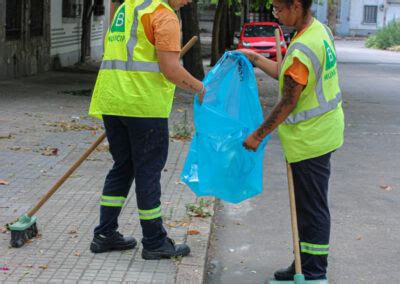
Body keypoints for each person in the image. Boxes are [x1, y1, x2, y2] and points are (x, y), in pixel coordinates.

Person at [88, 0, 205, 260]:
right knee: (147, 173)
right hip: (143, 106)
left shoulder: (126, 8)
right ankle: (154, 241)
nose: (189, 1)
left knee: (123, 166)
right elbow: (171, 69)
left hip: (113, 102)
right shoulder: (163, 16)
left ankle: (105, 233)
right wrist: (201, 88)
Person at [239, 0, 344, 281]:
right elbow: (286, 75)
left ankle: (313, 271)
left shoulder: (302, 49)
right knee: (307, 206)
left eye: (278, 8)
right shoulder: (317, 31)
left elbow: (288, 100)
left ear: (295, 6)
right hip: (324, 130)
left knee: (311, 208)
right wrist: (256, 58)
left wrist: (257, 135)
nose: (276, 14)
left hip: (311, 138)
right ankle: (303, 262)